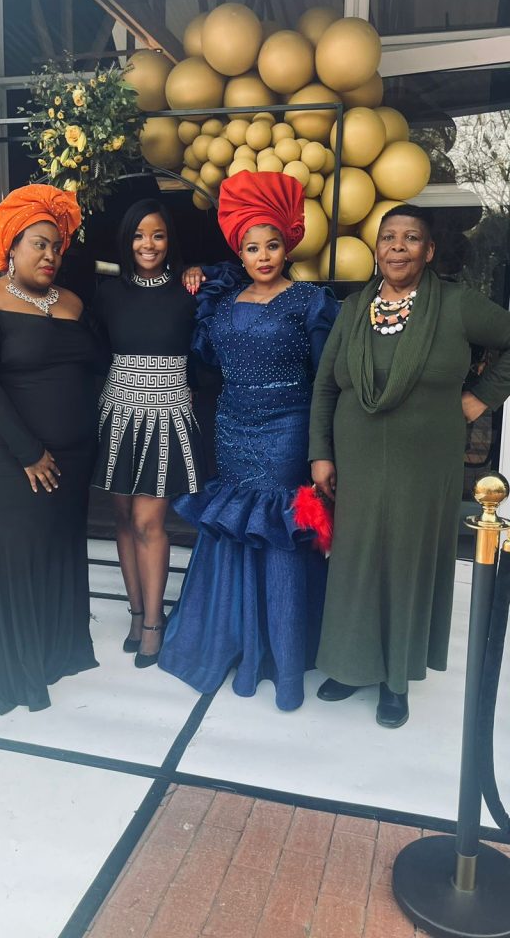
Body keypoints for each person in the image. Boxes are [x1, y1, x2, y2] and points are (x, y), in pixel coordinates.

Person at [310, 204, 510, 728]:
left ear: (429, 250)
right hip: (356, 459)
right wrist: (321, 453)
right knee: (354, 560)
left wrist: (480, 398)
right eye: (389, 237)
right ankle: (351, 663)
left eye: (411, 238)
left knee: (406, 560)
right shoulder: (355, 308)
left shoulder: (458, 305)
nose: (397, 246)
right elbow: (327, 385)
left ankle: (395, 678)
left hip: (424, 461)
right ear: (377, 248)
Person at [158, 170, 339, 711]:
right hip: (232, 425)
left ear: (288, 247)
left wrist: (321, 448)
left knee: (278, 528)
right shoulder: (223, 298)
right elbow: (205, 358)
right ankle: (235, 642)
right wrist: (196, 272)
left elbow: (326, 381)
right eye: (252, 247)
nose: (263, 256)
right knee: (236, 527)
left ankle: (283, 660)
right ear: (239, 252)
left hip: (287, 428)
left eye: (272, 245)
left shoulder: (311, 300)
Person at [0, 184, 100, 714]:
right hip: (7, 455)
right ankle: (7, 669)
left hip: (71, 455)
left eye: (56, 246)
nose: (50, 255)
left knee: (57, 547)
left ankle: (52, 651)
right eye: (39, 244)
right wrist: (28, 451)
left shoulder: (73, 304)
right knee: (15, 551)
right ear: (11, 246)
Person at [91, 199, 206, 667]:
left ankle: (155, 622)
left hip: (167, 413)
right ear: (126, 241)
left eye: (157, 235)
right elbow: (96, 350)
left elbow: (237, 281)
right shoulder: (107, 293)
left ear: (169, 240)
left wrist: (200, 269)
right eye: (139, 235)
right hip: (118, 413)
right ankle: (137, 613)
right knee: (122, 519)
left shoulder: (190, 290)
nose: (148, 244)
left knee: (147, 523)